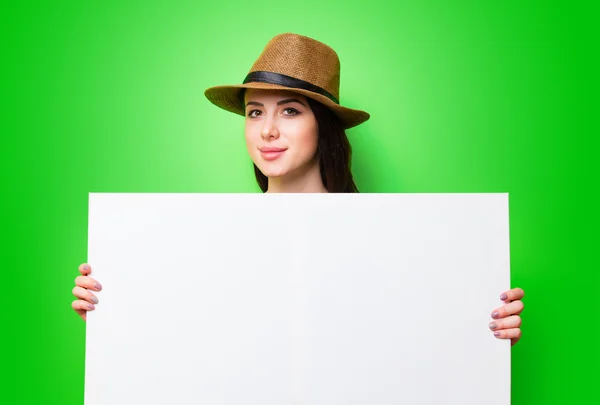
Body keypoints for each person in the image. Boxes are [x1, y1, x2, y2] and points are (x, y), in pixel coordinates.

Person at [71, 33, 525, 345]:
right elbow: (191, 335)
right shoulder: (206, 239)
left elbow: (411, 332)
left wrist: (483, 320)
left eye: (290, 111)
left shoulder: (389, 238)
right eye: (254, 112)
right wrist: (117, 302)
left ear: (321, 126)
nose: (267, 130)